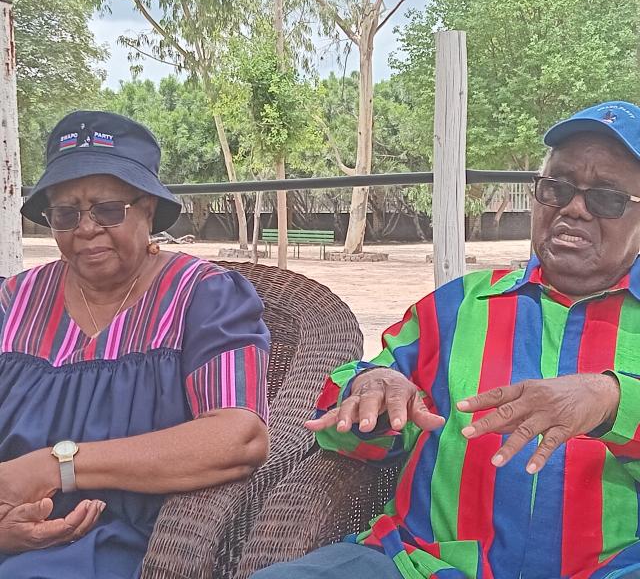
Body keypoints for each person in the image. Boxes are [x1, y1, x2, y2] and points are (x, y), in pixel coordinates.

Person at [252, 101, 640, 579]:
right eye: (556, 187)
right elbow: (347, 435)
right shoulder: (455, 306)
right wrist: (371, 394)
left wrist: (613, 401)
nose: (574, 208)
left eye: (606, 197)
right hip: (421, 564)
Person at [0, 111, 270, 578]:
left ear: (147, 208)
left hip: (130, 541)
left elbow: (238, 436)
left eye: (107, 209)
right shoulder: (14, 300)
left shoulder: (203, 295)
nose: (85, 229)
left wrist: (58, 466)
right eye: (65, 213)